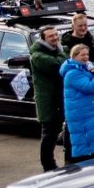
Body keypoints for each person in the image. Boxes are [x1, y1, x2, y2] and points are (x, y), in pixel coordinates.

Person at [31, 25, 66, 171]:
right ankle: (48, 165)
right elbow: (58, 65)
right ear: (43, 39)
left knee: (57, 131)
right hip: (47, 101)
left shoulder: (57, 50)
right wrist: (63, 53)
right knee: (49, 134)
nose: (55, 38)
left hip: (59, 99)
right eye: (51, 36)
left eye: (56, 35)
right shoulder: (37, 56)